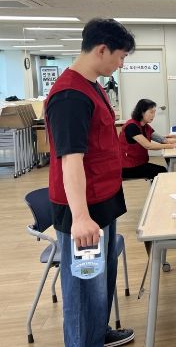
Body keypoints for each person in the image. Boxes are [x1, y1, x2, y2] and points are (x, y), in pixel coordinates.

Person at [44, 18, 135, 347]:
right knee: (84, 287)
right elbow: (71, 160)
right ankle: (85, 340)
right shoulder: (70, 96)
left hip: (102, 201)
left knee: (100, 279)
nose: (121, 64)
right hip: (85, 210)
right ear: (102, 50)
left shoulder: (92, 85)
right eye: (120, 57)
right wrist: (81, 216)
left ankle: (97, 332)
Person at [119, 98, 176, 180]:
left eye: (154, 112)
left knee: (161, 170)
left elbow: (163, 140)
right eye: (151, 112)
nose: (153, 115)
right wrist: (171, 146)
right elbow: (148, 146)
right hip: (126, 167)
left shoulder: (146, 126)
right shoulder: (131, 126)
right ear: (142, 112)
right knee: (161, 171)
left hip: (138, 164)